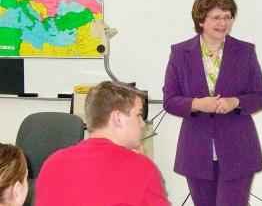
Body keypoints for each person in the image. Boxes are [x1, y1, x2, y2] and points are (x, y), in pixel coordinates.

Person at [163, 0, 262, 206]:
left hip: (238, 149)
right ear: (201, 20)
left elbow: (259, 95)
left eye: (227, 17)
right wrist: (196, 104)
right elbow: (169, 100)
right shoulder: (180, 53)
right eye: (216, 18)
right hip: (196, 150)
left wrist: (236, 102)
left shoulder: (245, 51)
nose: (223, 23)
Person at [36, 81, 170, 206]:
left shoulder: (53, 163)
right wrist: (142, 164)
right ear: (117, 118)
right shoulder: (141, 168)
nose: (142, 123)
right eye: (138, 115)